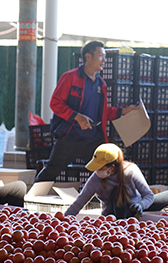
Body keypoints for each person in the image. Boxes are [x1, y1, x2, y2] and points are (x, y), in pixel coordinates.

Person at [32, 41, 139, 185]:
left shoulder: (101, 84)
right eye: (101, 56)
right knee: (52, 171)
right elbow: (55, 103)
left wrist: (124, 111)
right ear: (88, 57)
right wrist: (77, 117)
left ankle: (110, 203)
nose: (104, 60)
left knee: (109, 170)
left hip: (92, 139)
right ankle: (30, 199)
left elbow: (102, 112)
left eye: (105, 56)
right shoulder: (70, 77)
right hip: (69, 138)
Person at [65, 143, 168, 218]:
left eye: (101, 167)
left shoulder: (130, 171)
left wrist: (140, 205)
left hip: (136, 209)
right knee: (115, 198)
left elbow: (148, 195)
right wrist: (62, 221)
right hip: (113, 216)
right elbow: (79, 202)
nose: (97, 171)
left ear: (112, 167)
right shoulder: (96, 179)